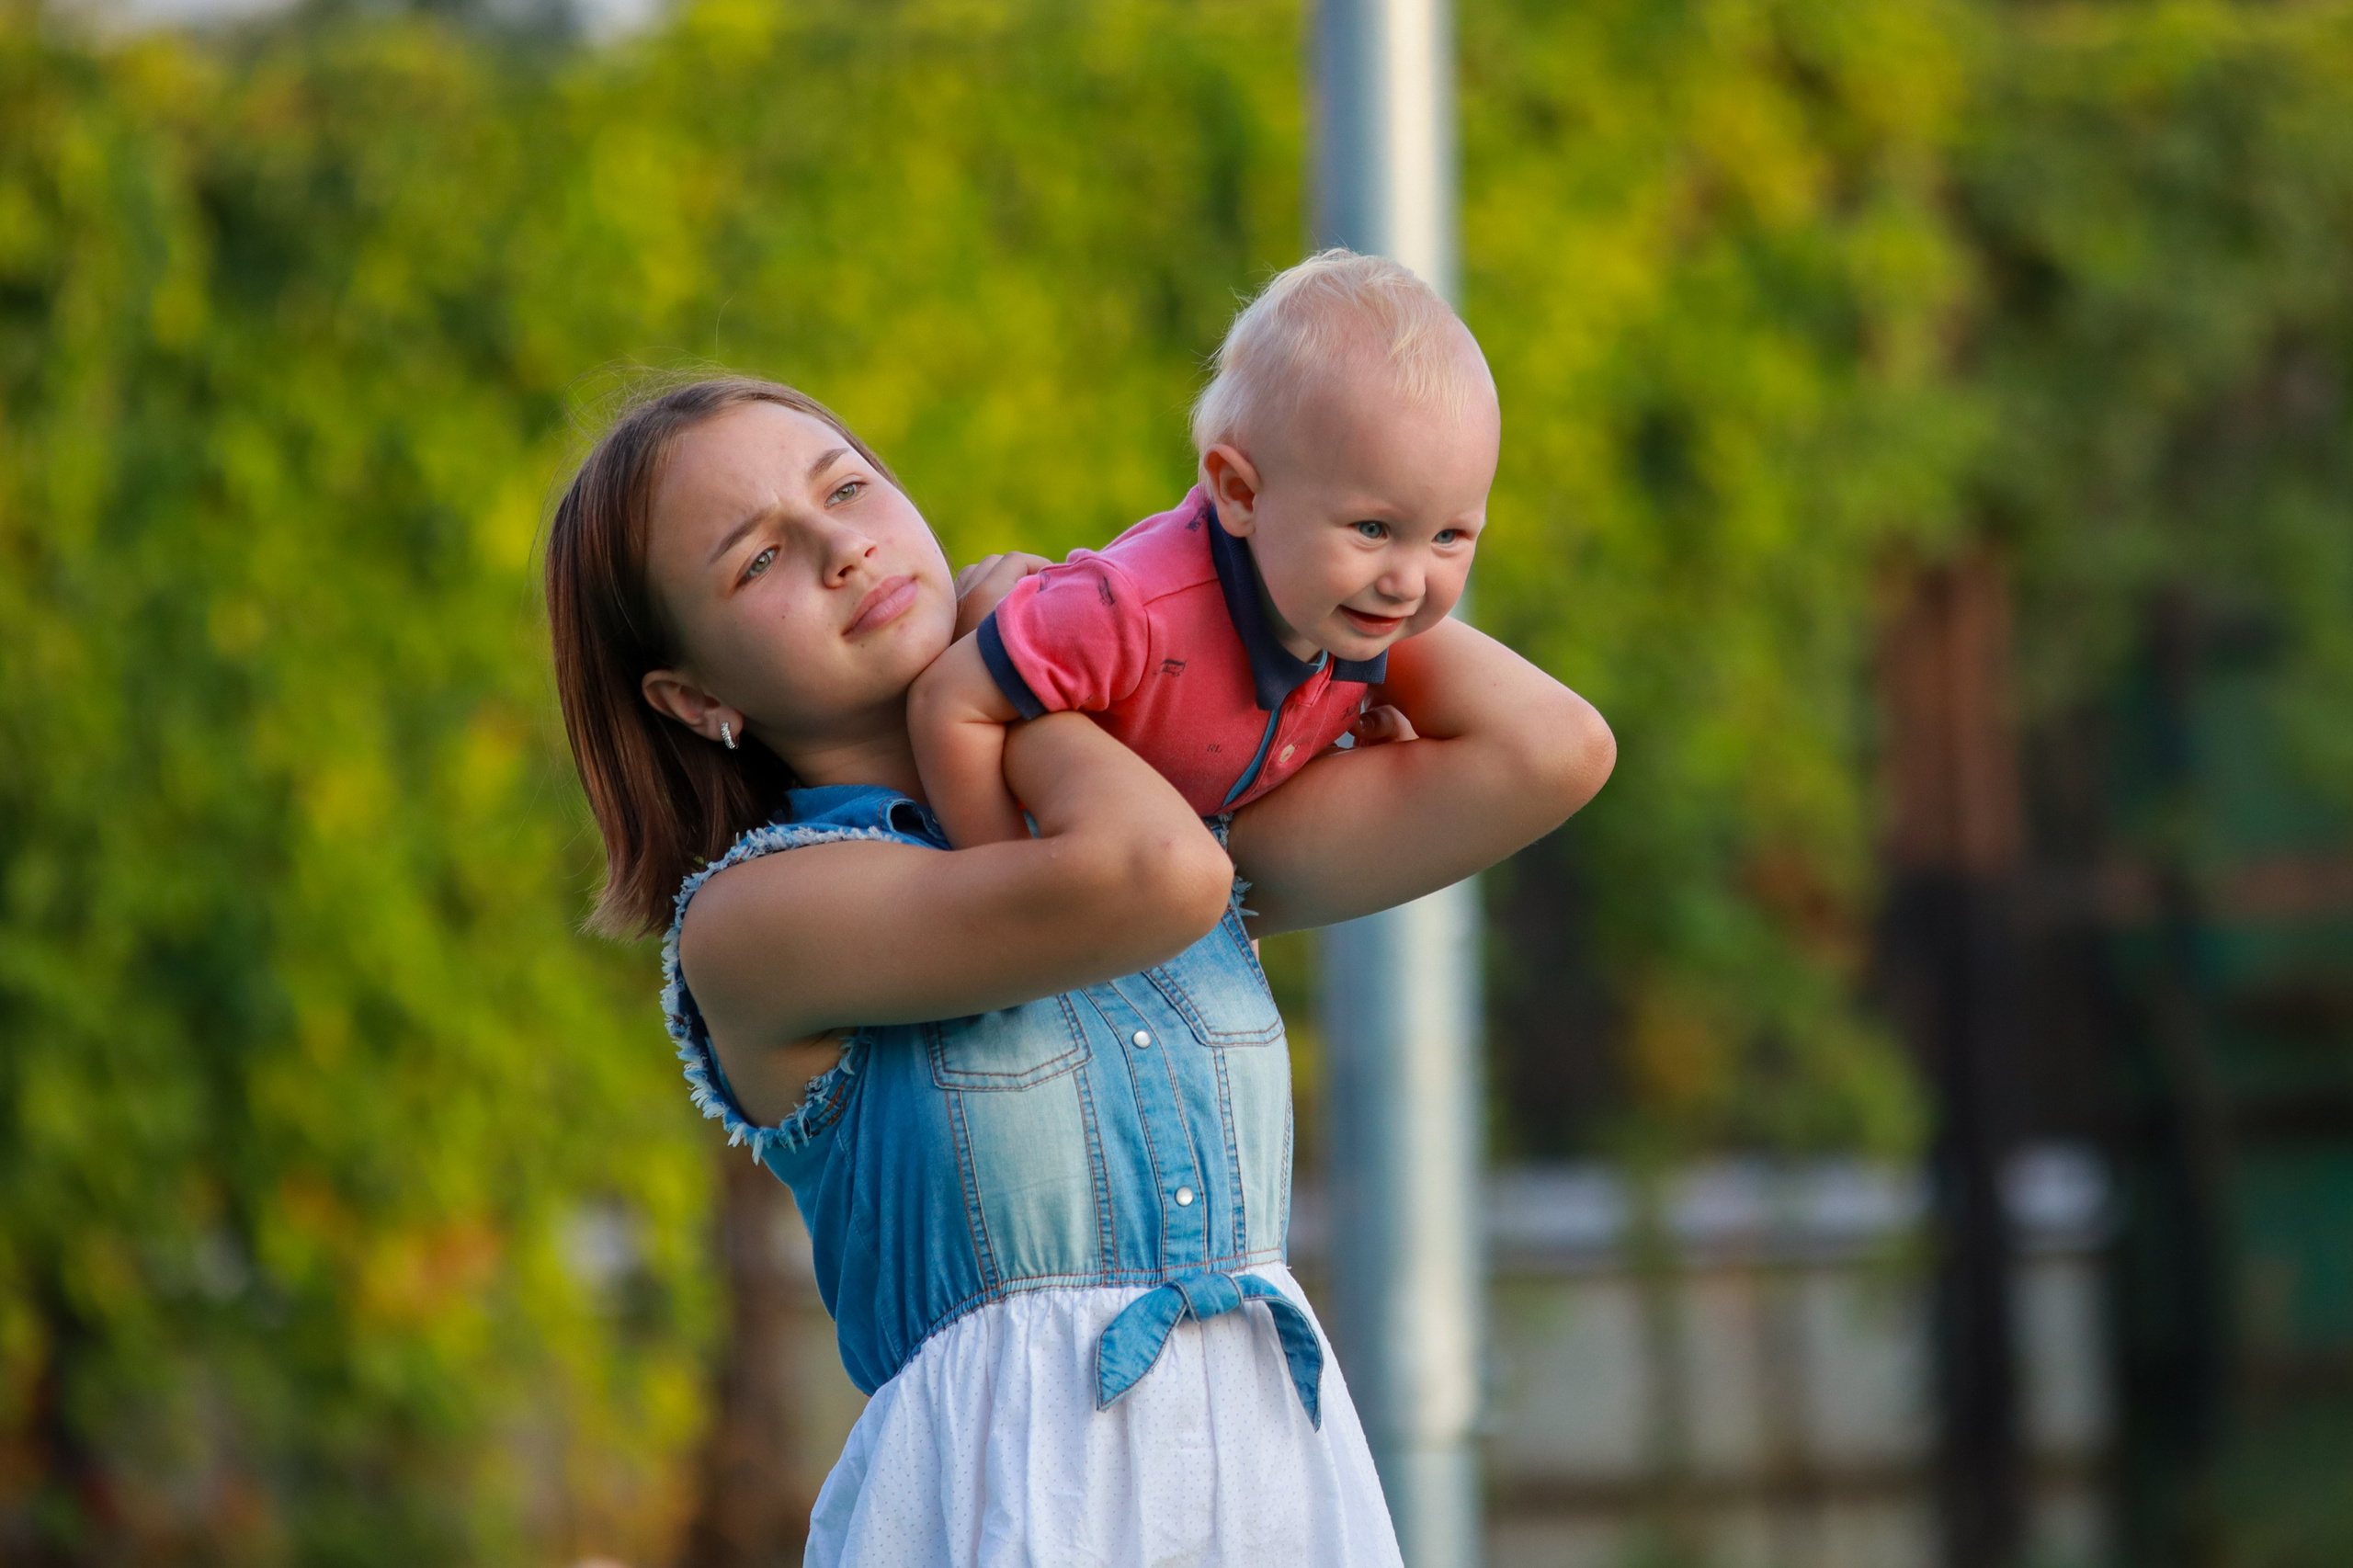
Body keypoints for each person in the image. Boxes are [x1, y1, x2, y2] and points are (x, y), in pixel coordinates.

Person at [543, 375, 1613, 1565]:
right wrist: (1015, 671)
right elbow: (1158, 880)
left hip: (1274, 1495)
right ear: (695, 697)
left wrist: (1264, 576)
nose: (841, 547)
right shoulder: (757, 920)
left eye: (848, 488)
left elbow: (1548, 748)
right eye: (758, 560)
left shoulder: (1161, 793)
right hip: (1010, 1514)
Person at [909, 251, 1495, 847]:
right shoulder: (1130, 611)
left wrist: (1340, 746)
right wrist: (1000, 879)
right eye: (1372, 529)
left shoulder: (1348, 613)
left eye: (1448, 536)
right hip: (1066, 862)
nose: (1409, 582)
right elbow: (948, 699)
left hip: (1185, 863)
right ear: (1240, 494)